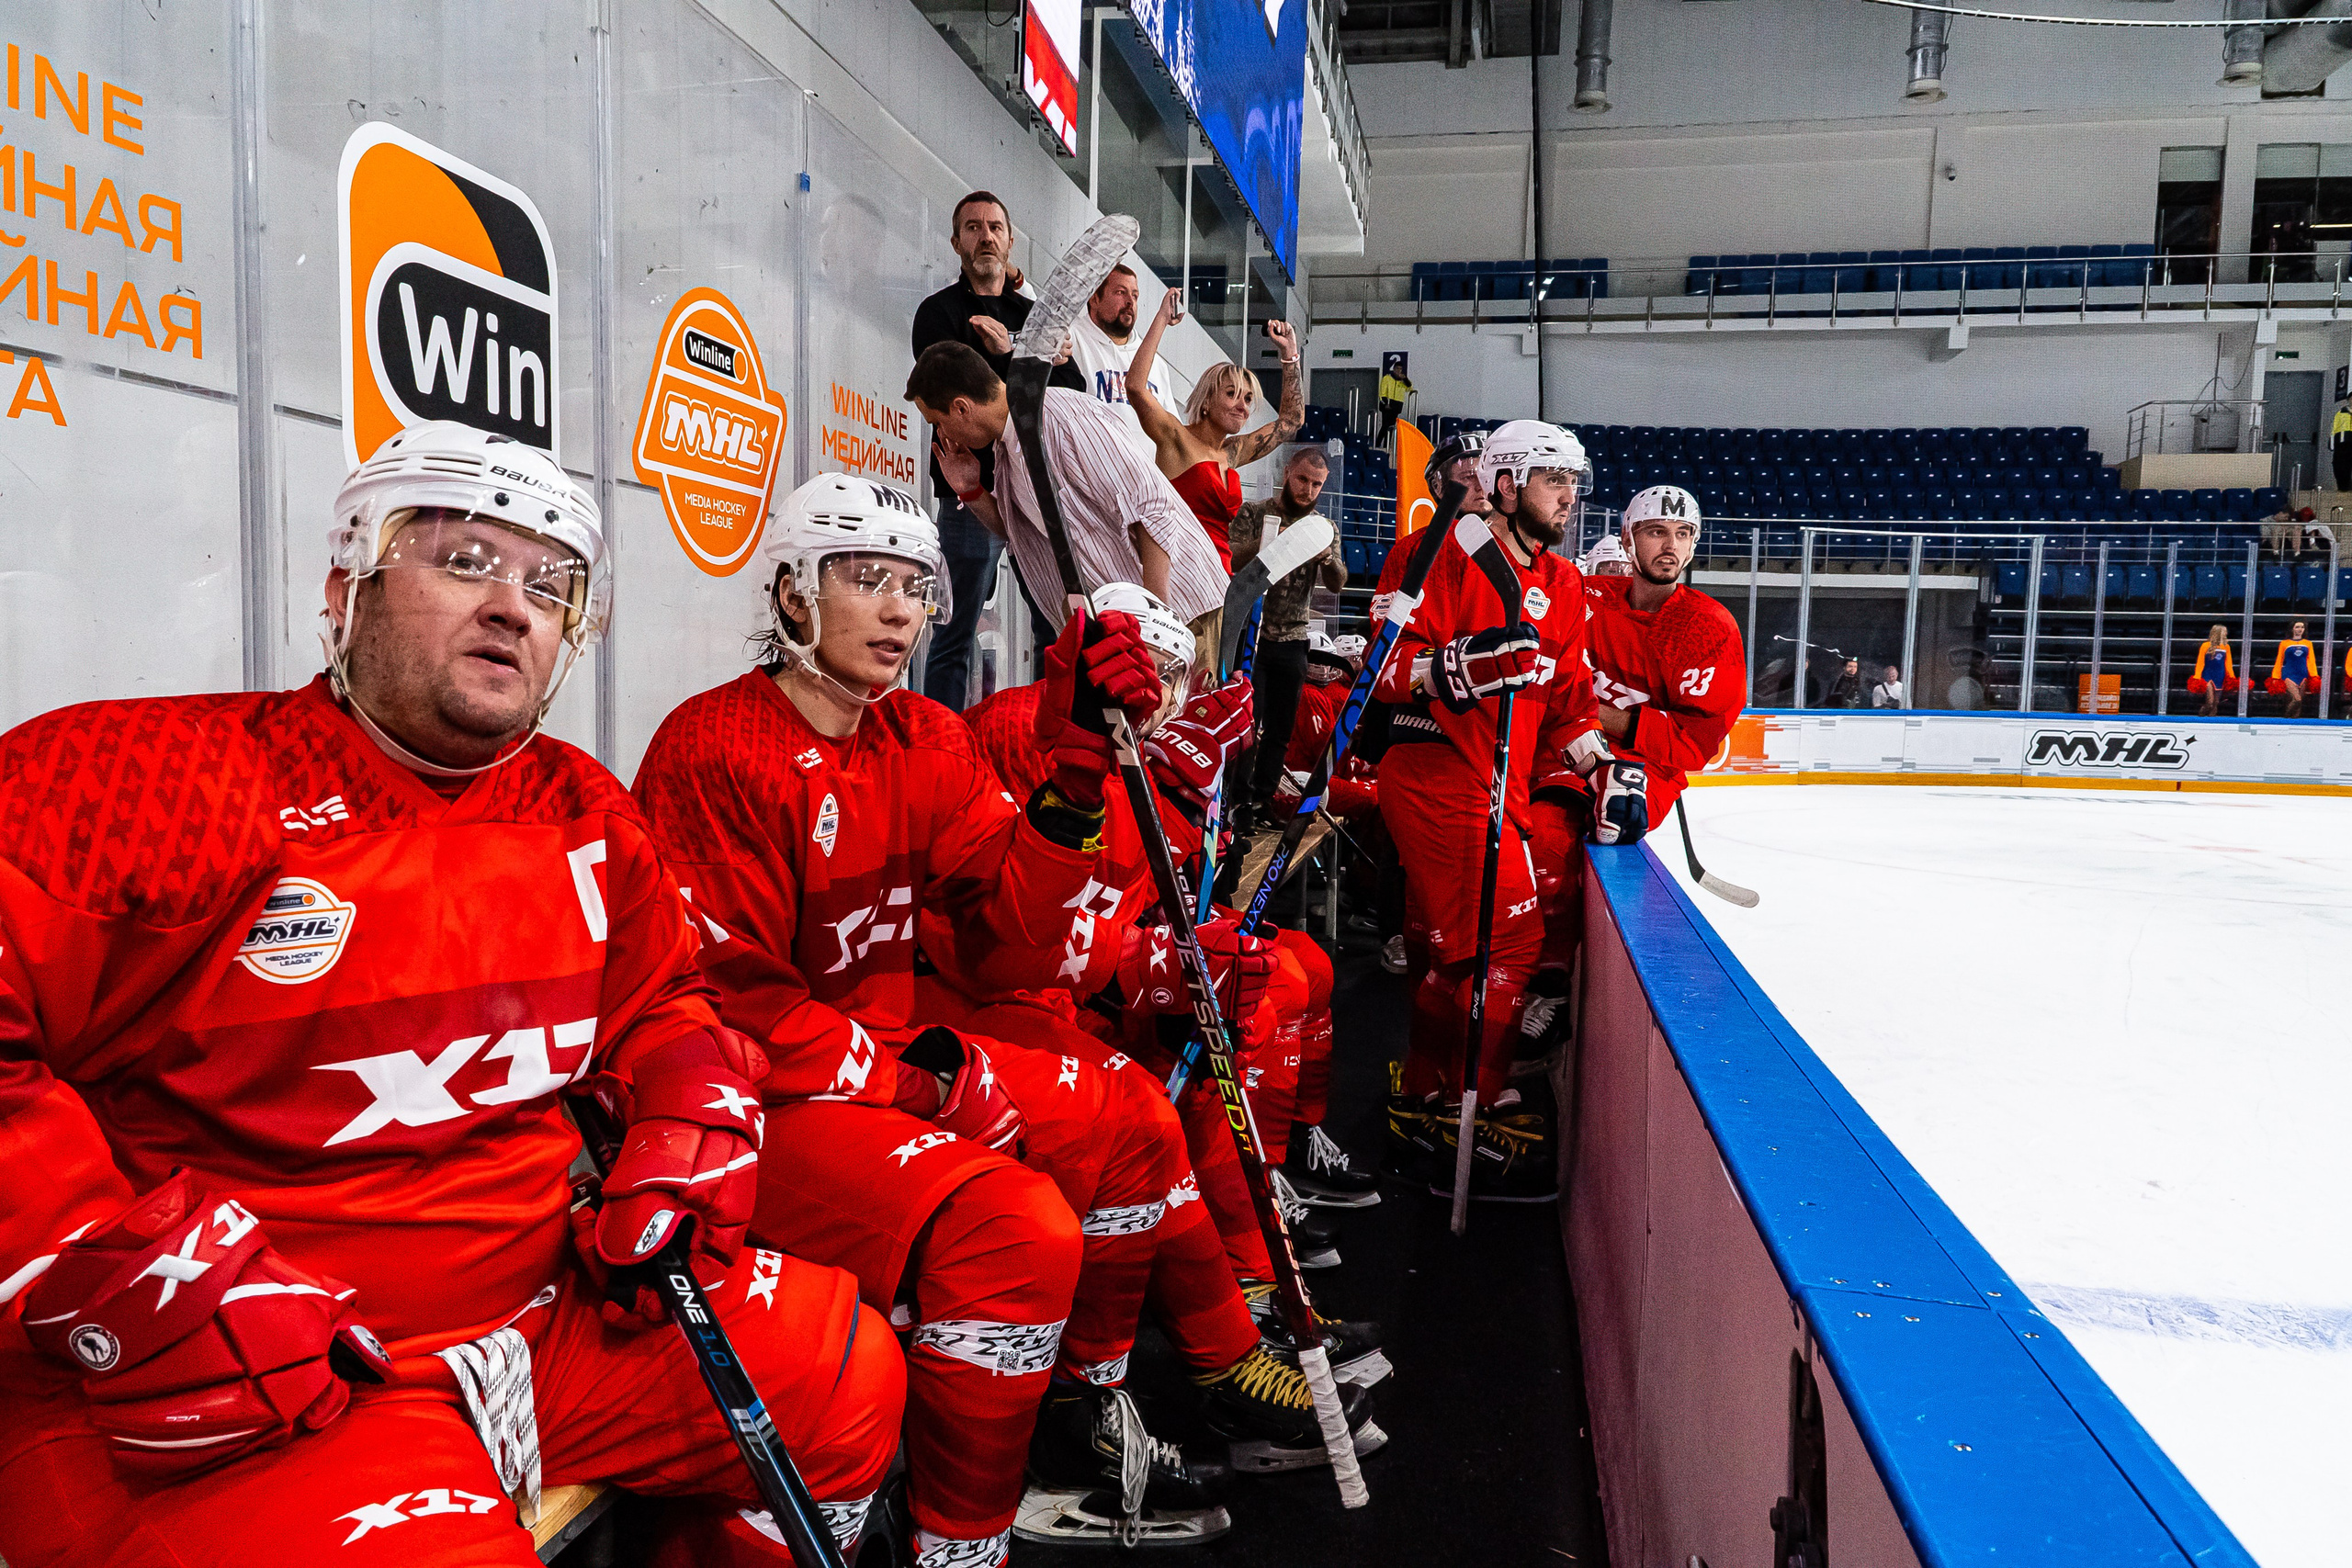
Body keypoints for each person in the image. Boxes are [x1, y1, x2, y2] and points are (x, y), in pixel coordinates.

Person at [0, 423, 904, 1568]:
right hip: (252, 1384)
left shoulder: (581, 806)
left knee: (843, 1377)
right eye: (464, 560)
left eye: (547, 582)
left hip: (540, 1321)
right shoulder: (158, 783)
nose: (512, 605)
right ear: (347, 586)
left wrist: (688, 1099)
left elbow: (662, 1002)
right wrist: (94, 1251)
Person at [631, 477, 1344, 1565]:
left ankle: (1073, 1415)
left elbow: (1014, 939)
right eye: (862, 580)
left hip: (876, 1066)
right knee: (1019, 1227)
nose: (896, 610)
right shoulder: (715, 745)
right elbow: (733, 1007)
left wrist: (1072, 784)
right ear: (788, 592)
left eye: (914, 587)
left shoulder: (922, 735)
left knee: (1124, 1125)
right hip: (768, 1102)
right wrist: (920, 1077)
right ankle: (956, 1538)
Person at [1374, 420, 1603, 1201]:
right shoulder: (1442, 552)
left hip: (1495, 780)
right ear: (1506, 486)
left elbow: (1570, 704)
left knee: (1465, 954)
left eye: (1574, 482)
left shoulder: (1566, 586)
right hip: (1435, 766)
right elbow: (1385, 670)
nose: (1569, 497)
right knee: (1509, 936)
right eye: (1552, 480)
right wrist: (1459, 668)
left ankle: (1435, 1092)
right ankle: (1476, 1091)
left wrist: (1603, 765)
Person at [1525, 484, 1747, 1060]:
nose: (1670, 546)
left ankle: (1548, 987)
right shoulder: (1588, 594)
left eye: (1683, 534)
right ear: (1628, 538)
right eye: (1655, 531)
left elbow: (1692, 745)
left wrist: (1606, 718)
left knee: (1581, 828)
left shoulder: (1708, 628)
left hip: (1643, 768)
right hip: (1564, 745)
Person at [910, 341, 1229, 637]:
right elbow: (1019, 533)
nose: (941, 433)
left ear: (962, 408)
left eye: (936, 421)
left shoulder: (1061, 417)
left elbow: (1151, 506)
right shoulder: (1007, 449)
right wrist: (970, 489)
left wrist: (1155, 622)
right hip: (1125, 628)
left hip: (1185, 615)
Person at [910, 191, 1083, 712]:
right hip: (972, 495)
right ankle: (939, 743)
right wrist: (1026, 362)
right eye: (973, 227)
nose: (985, 236)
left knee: (1055, 632)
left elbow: (1070, 398)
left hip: (1035, 491)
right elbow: (957, 393)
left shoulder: (1035, 316)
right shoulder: (937, 313)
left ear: (1010, 241)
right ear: (956, 242)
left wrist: (1010, 352)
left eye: (995, 227)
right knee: (955, 631)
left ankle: (1046, 741)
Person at [1125, 288, 1306, 570]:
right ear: (1207, 400)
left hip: (1220, 576)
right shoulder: (1175, 437)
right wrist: (1161, 318)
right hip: (1179, 573)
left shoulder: (1233, 451)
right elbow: (1136, 387)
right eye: (1231, 393)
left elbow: (1291, 421)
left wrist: (1289, 353)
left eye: (1247, 398)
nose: (1242, 406)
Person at [1228, 447, 1348, 834]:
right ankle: (1237, 805)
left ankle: (1263, 801)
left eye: (1316, 484)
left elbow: (1339, 582)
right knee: (1248, 727)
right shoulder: (1254, 512)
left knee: (1280, 731)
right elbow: (1230, 559)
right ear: (1287, 472)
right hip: (1253, 635)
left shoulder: (1323, 528)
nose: (1308, 489)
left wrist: (1327, 558)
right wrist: (1273, 541)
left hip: (1295, 639)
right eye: (1303, 480)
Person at [1065, 263, 1169, 457]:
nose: (1130, 301)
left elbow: (1170, 432)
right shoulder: (1071, 339)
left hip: (1147, 479)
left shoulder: (1155, 363)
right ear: (1094, 298)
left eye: (1135, 295)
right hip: (1089, 474)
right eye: (1121, 293)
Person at [2268, 619, 2320, 717]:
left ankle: (2294, 725)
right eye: (2297, 627)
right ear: (2292, 629)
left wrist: (2314, 676)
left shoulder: (2308, 643)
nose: (2300, 629)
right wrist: (2275, 676)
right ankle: (2286, 718)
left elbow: (2311, 660)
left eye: (2302, 627)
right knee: (2297, 699)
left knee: (2299, 705)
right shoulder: (2284, 643)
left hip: (2303, 675)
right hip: (2289, 675)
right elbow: (2279, 660)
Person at [2188, 623, 2238, 716]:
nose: (2226, 633)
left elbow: (2228, 663)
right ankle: (2200, 718)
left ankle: (2211, 722)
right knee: (2210, 702)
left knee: (2216, 704)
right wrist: (2197, 676)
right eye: (2224, 631)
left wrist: (2232, 677)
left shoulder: (2226, 647)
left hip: (2220, 675)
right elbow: (2200, 662)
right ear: (2218, 633)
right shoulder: (2205, 645)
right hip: (2207, 675)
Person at [2333, 400, 2350, 492]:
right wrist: (2333, 443)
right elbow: (2335, 428)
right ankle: (2343, 486)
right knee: (2342, 465)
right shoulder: (2341, 413)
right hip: (2343, 443)